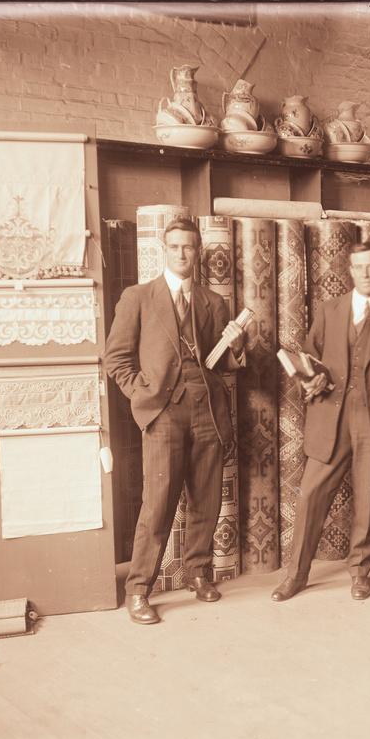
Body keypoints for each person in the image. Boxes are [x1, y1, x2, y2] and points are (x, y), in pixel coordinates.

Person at [104, 217, 246, 625]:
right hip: (163, 413)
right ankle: (138, 590)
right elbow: (116, 358)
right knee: (158, 503)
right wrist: (141, 393)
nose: (182, 254)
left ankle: (198, 573)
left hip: (207, 411)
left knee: (207, 498)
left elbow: (224, 365)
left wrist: (237, 346)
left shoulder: (212, 302)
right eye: (174, 247)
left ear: (198, 251)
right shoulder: (139, 297)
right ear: (163, 251)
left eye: (189, 247)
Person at [271, 242, 370, 602]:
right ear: (349, 271)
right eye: (358, 267)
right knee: (310, 495)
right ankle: (296, 575)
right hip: (329, 415)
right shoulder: (329, 309)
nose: (365, 273)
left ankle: (359, 573)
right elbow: (308, 355)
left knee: (366, 498)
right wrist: (309, 378)